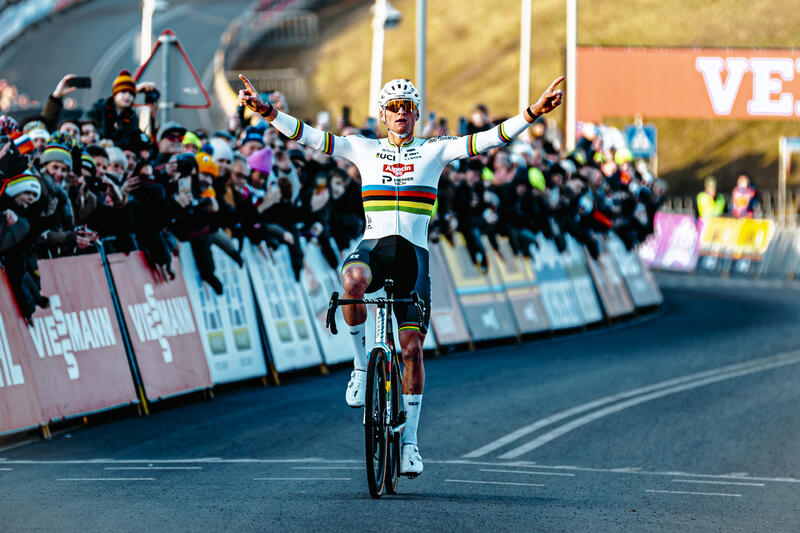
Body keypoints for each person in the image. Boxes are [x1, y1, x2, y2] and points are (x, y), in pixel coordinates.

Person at [239, 73, 565, 477]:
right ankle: (360, 366)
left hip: (414, 257)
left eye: (408, 108)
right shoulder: (363, 147)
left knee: (411, 350)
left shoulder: (434, 150)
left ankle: (410, 444)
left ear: (415, 115)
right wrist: (269, 112)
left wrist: (532, 113)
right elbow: (310, 137)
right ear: (381, 114)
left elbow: (487, 140)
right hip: (374, 248)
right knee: (352, 283)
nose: (401, 114)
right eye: (393, 108)